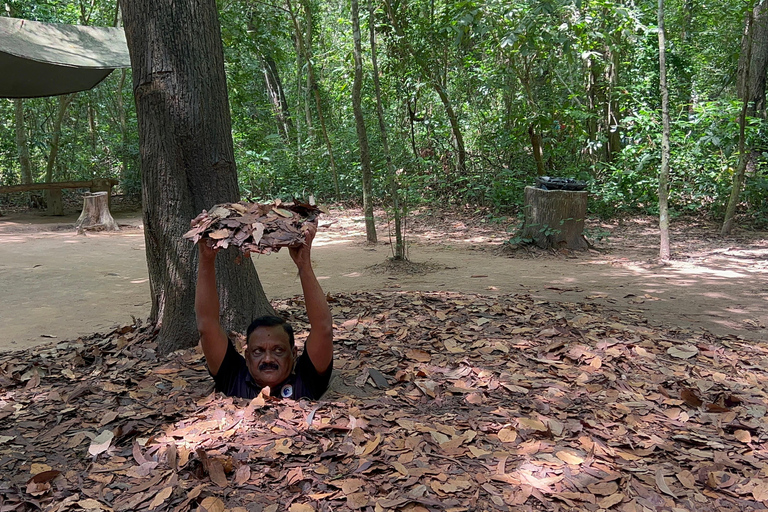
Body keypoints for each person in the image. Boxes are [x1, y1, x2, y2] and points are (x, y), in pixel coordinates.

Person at [195, 222, 333, 400]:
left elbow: (323, 328)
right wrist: (206, 259)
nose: (267, 359)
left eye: (278, 350)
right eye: (258, 351)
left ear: (294, 354)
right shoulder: (233, 378)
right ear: (246, 357)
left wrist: (304, 265)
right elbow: (207, 325)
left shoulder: (306, 380)